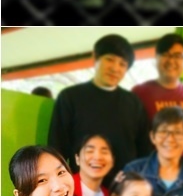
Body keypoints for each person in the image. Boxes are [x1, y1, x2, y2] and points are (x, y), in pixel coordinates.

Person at [48, 34, 150, 185]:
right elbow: (56, 147)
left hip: (124, 190)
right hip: (82, 190)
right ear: (95, 57)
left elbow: (144, 150)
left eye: (122, 64)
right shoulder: (70, 97)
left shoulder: (134, 103)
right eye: (109, 59)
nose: (115, 68)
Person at [132, 32, 183, 164]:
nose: (171, 61)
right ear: (155, 58)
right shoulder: (140, 92)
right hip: (150, 173)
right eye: (166, 55)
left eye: (178, 56)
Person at [71, 132, 114, 196]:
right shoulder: (65, 190)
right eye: (90, 151)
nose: (97, 157)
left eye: (104, 152)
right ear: (77, 159)